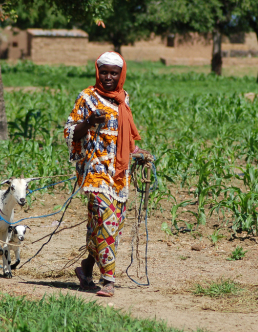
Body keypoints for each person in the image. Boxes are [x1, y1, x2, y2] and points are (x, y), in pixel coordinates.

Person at [64, 52, 150, 297]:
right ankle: (109, 280)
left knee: (101, 226)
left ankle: (85, 269)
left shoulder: (123, 99)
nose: (109, 77)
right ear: (97, 71)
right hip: (95, 172)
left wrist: (137, 152)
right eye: (104, 72)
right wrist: (88, 122)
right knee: (107, 221)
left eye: (114, 73)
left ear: (120, 74)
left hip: (119, 174)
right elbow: (70, 133)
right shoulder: (87, 98)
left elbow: (123, 135)